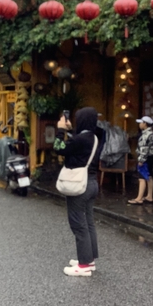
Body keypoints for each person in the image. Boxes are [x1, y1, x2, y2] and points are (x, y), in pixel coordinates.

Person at [54, 107, 103, 277]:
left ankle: (83, 266)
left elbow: (59, 147)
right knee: (88, 222)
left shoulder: (81, 139)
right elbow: (76, 144)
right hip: (92, 183)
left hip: (79, 185)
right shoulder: (95, 137)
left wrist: (60, 130)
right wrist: (69, 131)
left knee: (78, 224)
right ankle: (89, 259)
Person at [128, 116, 153, 205]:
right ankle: (149, 196)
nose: (140, 124)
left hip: (146, 158)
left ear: (145, 123)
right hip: (151, 157)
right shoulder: (151, 133)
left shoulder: (146, 135)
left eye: (141, 123)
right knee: (149, 175)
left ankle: (139, 198)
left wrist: (141, 160)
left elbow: (144, 149)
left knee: (142, 177)